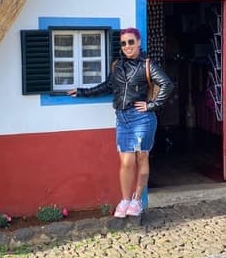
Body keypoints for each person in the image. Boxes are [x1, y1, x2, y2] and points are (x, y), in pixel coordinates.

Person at [68, 27, 172, 217]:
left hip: (142, 118)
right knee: (126, 162)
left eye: (131, 42)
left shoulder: (147, 64)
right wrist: (83, 91)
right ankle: (125, 200)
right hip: (122, 118)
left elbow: (167, 84)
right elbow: (108, 86)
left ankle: (137, 200)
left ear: (138, 43)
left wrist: (151, 105)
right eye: (124, 43)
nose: (127, 46)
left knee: (141, 158)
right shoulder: (117, 65)